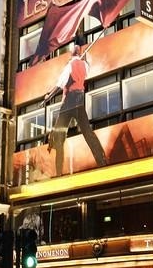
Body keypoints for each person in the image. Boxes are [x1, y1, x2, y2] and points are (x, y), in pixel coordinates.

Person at [42, 43, 108, 176]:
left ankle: (58, 172)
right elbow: (86, 71)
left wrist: (49, 96)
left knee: (59, 136)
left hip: (69, 101)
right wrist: (84, 61)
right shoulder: (85, 65)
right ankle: (102, 161)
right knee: (87, 132)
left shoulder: (69, 66)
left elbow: (60, 84)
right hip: (79, 99)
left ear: (72, 53)